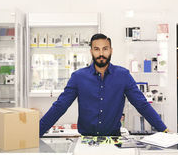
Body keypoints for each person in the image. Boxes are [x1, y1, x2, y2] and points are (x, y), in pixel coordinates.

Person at [39, 33, 169, 137]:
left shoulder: (123, 75)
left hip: (114, 140)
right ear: (91, 51)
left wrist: (164, 131)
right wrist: (37, 133)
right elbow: (60, 106)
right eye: (97, 49)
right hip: (86, 140)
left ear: (111, 50)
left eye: (105, 49)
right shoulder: (78, 77)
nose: (101, 54)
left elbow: (142, 105)